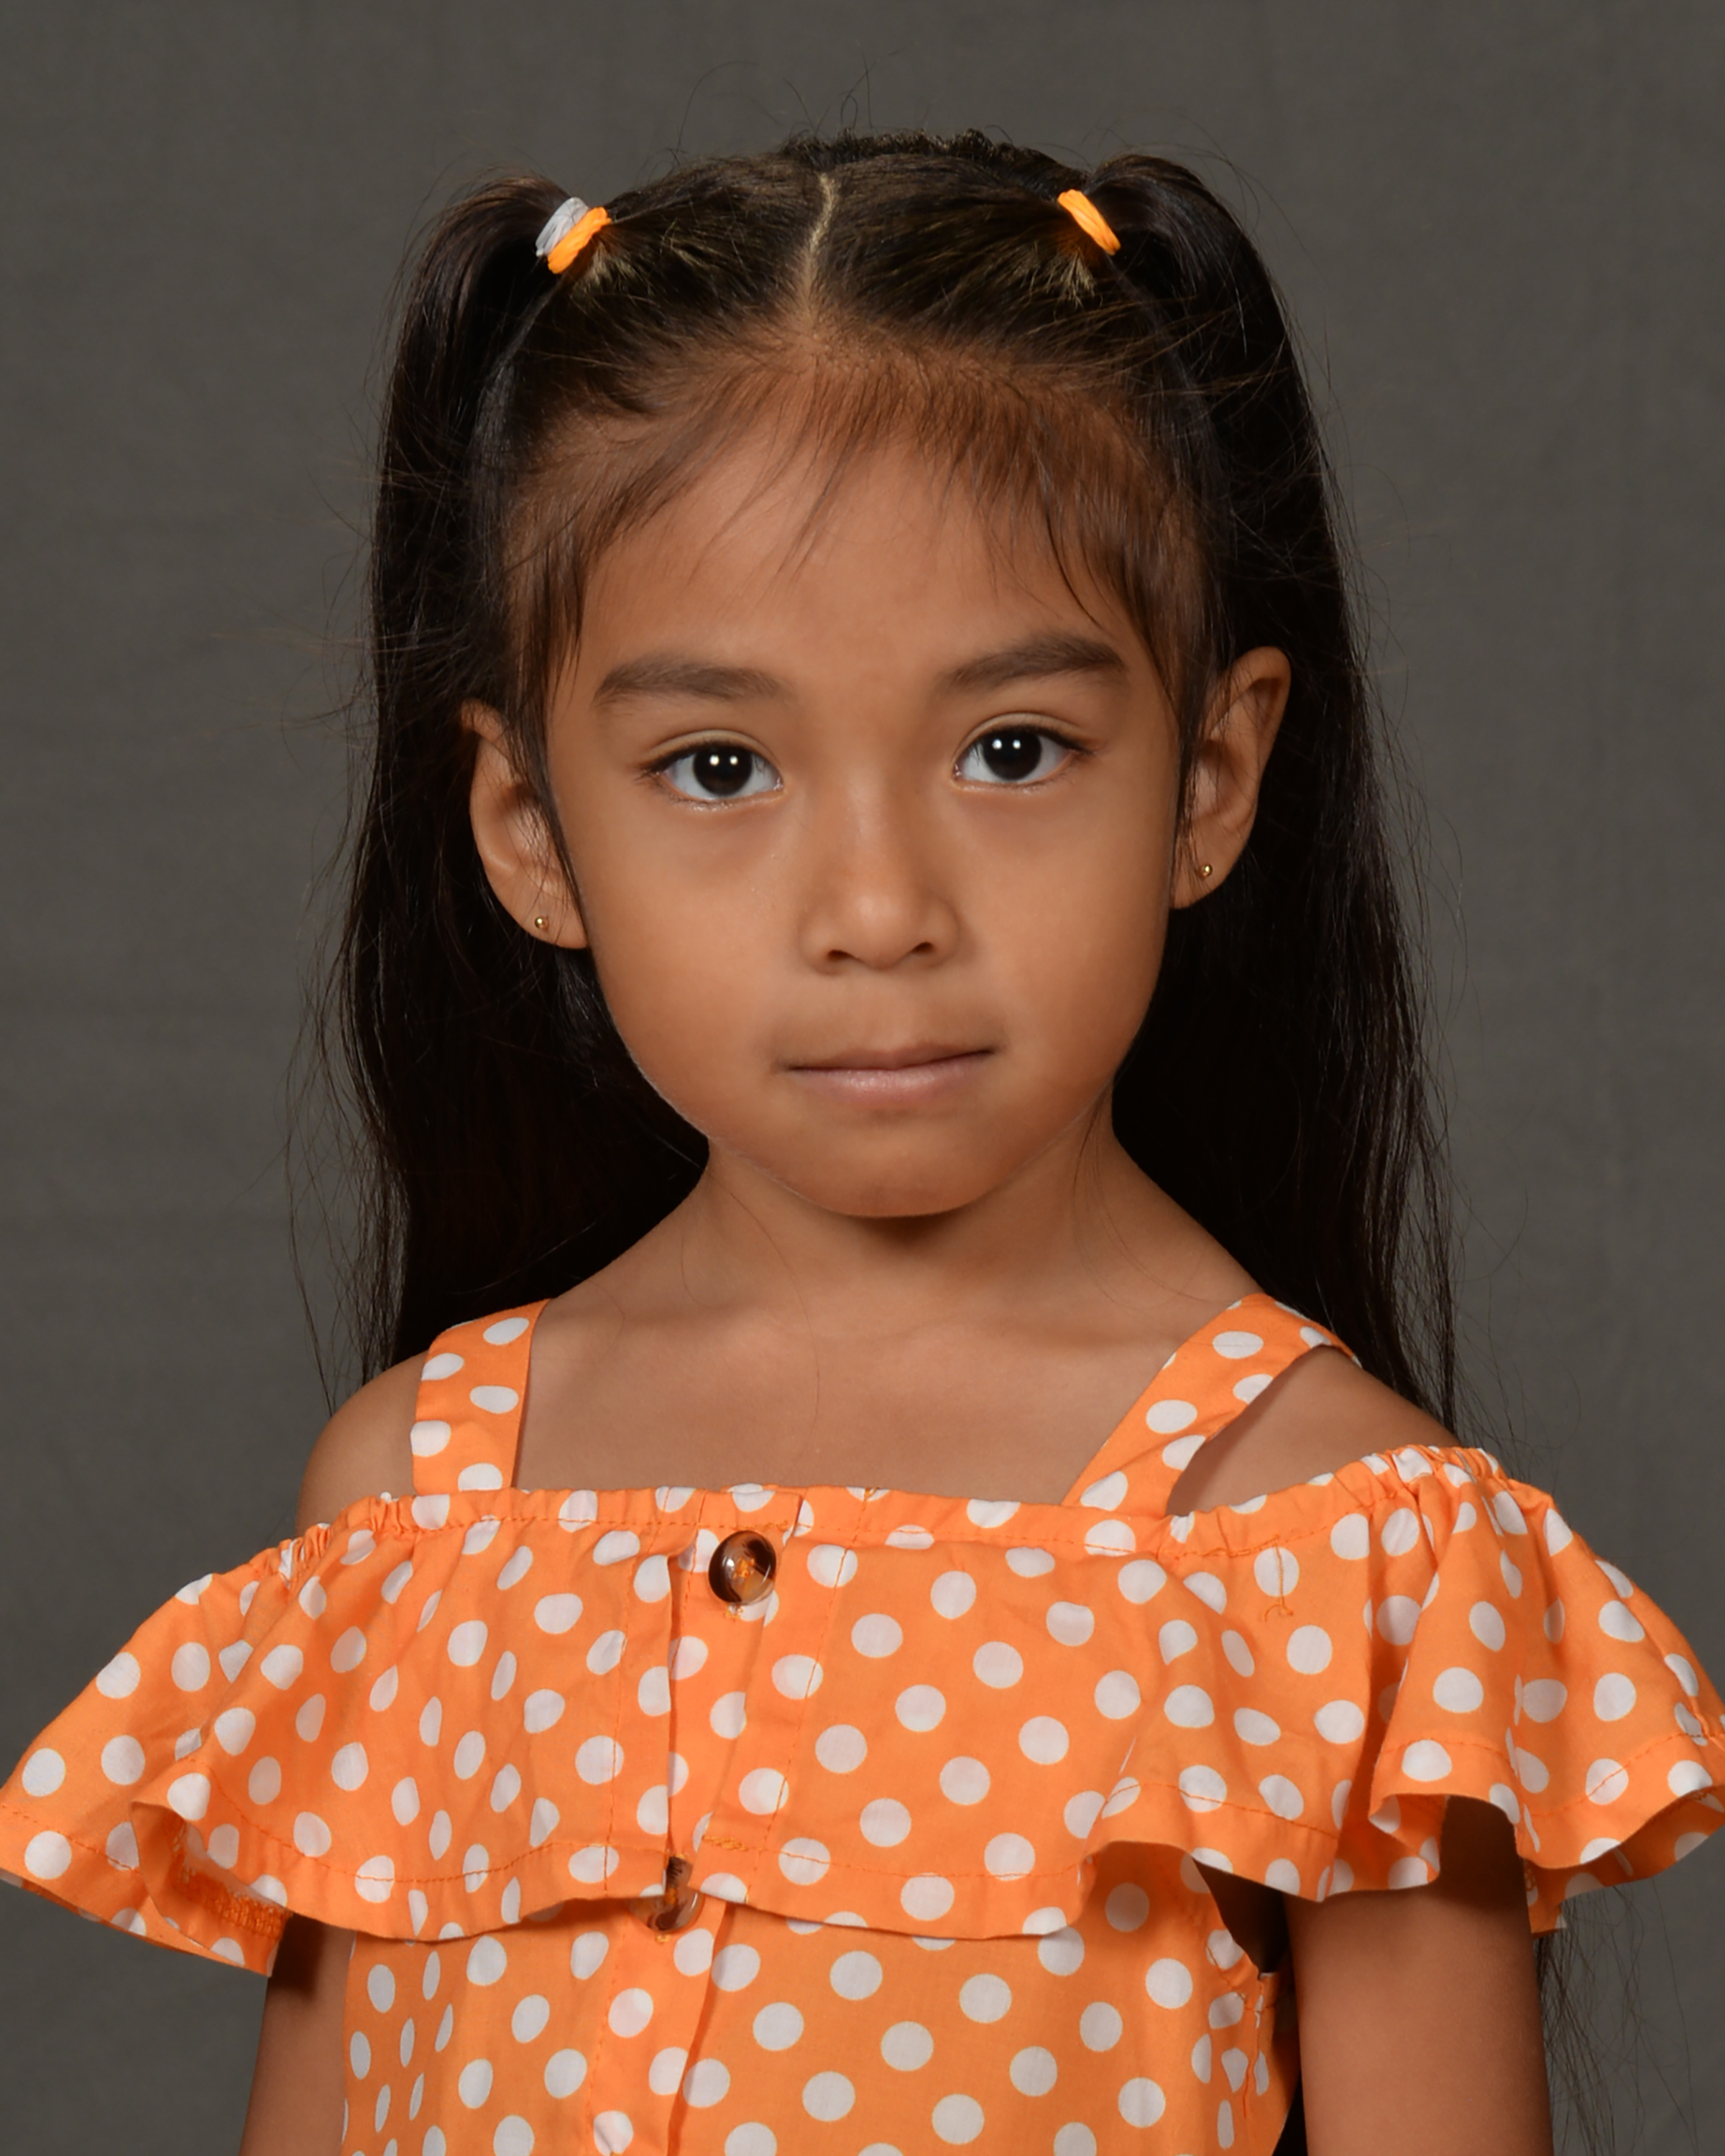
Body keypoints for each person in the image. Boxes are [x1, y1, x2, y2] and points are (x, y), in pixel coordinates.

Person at [3, 130, 1720, 2156]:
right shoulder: (414, 1511)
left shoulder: (1339, 1560)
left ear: (1211, 776)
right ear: (530, 829)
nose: (880, 906)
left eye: (1013, 750)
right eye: (720, 766)